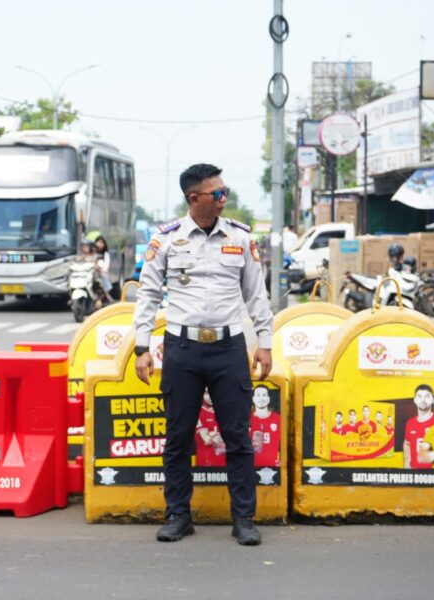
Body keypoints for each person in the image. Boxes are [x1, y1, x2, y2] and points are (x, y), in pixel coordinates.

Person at [134, 163, 272, 546]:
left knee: (238, 437)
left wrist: (265, 342)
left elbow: (256, 294)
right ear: (194, 199)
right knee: (178, 437)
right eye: (218, 193)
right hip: (182, 350)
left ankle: (243, 518)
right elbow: (147, 294)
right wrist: (142, 347)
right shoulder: (166, 239)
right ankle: (178, 515)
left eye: (225, 191)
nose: (225, 198)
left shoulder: (240, 237)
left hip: (229, 349)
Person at [404, 384, 434, 469]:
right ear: (415, 400)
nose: (423, 400)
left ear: (433, 400)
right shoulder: (410, 423)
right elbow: (407, 443)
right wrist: (407, 463)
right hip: (415, 471)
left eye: (427, 396)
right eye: (419, 396)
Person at [250, 386, 280, 468]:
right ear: (253, 399)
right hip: (251, 467)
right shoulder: (246, 420)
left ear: (268, 399)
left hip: (273, 468)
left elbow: (285, 443)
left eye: (264, 395)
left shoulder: (278, 419)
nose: (261, 398)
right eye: (258, 395)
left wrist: (283, 460)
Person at [194, 389, 226, 467]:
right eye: (207, 393)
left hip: (225, 464)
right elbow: (207, 440)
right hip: (206, 465)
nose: (211, 396)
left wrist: (213, 435)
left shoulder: (225, 412)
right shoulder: (199, 413)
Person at [93, 235, 114, 301]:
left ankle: (107, 294)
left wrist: (102, 270)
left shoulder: (105, 254)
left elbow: (106, 265)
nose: (100, 245)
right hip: (91, 271)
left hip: (101, 272)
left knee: (102, 276)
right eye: (99, 242)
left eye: (102, 243)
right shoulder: (92, 252)